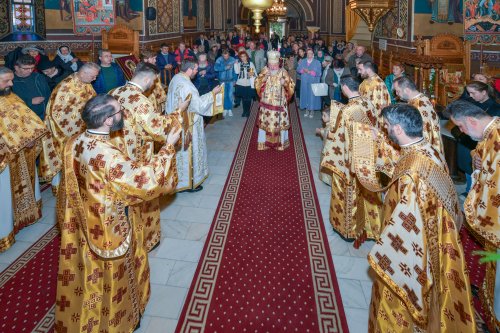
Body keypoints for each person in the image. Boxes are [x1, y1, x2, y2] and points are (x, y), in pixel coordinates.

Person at [55, 94, 181, 333]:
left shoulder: (75, 142)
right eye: (119, 112)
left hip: (84, 217)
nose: (123, 114)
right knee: (115, 274)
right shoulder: (108, 155)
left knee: (89, 269)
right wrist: (167, 148)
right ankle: (118, 321)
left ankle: (87, 315)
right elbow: (144, 182)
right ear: (108, 121)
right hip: (109, 224)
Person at [367, 103, 476, 333]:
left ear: (397, 129)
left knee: (394, 302)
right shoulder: (427, 149)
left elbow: (406, 220)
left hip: (415, 248)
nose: (385, 130)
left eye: (386, 126)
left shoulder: (412, 174)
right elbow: (399, 164)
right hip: (437, 235)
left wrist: (384, 251)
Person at [110, 62, 186, 251]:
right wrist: (178, 111)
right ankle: (145, 238)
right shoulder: (140, 101)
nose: (153, 85)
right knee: (143, 195)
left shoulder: (115, 92)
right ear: (145, 78)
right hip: (138, 155)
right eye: (153, 81)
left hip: (117, 153)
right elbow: (157, 129)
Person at [448, 100, 499, 333]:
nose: (464, 133)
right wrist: (475, 157)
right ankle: (489, 297)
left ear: (470, 120)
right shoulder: (489, 131)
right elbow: (480, 151)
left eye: (462, 127)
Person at [318, 75, 381, 245]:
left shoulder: (347, 111)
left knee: (347, 192)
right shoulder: (368, 103)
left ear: (345, 88)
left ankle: (347, 229)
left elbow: (339, 137)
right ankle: (369, 227)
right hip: (367, 157)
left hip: (350, 161)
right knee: (367, 192)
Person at [0, 66, 52, 252]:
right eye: (6, 81)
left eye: (11, 80)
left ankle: (24, 217)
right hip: (5, 159)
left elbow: (26, 119)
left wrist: (31, 137)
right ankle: (5, 232)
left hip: (21, 155)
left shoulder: (10, 96)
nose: (11, 84)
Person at [39, 62, 99, 192]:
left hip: (82, 130)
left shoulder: (86, 83)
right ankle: (65, 189)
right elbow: (57, 114)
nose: (95, 79)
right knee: (65, 159)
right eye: (93, 76)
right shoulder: (66, 87)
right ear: (83, 73)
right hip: (64, 133)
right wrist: (81, 126)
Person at [166, 59, 222, 192]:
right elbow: (199, 106)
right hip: (188, 124)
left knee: (180, 154)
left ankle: (179, 181)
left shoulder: (176, 78)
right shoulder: (187, 86)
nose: (197, 71)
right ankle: (190, 183)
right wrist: (213, 93)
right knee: (189, 151)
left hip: (176, 123)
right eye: (196, 69)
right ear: (189, 69)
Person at [393, 76, 444, 157]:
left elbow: (422, 135)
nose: (396, 94)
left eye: (398, 91)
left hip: (424, 154)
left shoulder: (418, 107)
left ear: (407, 90)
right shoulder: (421, 99)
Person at [254, 50, 295, 151]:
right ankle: (263, 143)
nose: (272, 67)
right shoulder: (264, 70)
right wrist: (263, 80)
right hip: (266, 104)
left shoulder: (283, 72)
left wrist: (285, 83)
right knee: (265, 124)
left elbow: (291, 86)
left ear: (278, 63)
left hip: (279, 105)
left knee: (280, 124)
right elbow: (256, 82)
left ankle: (280, 143)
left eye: (274, 65)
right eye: (270, 65)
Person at [11, 55, 51, 120]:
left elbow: (48, 94)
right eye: (26, 68)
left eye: (32, 68)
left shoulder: (38, 77)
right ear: (16, 67)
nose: (30, 71)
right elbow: (8, 103)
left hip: (44, 116)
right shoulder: (9, 81)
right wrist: (30, 102)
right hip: (25, 118)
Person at [357, 60, 391, 129]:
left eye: (360, 69)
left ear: (368, 70)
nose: (358, 72)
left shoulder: (378, 84)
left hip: (373, 122)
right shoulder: (366, 80)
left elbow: (378, 107)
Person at [297, 48, 322, 118]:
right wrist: (303, 70)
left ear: (313, 55)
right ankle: (307, 110)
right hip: (304, 82)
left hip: (313, 82)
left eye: (310, 53)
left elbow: (319, 73)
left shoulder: (317, 62)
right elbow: (298, 69)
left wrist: (310, 72)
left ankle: (312, 111)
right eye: (308, 53)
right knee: (305, 95)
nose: (309, 55)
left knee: (312, 96)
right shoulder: (303, 61)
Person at [140, 51, 166, 115]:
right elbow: (156, 88)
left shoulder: (152, 69)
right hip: (151, 99)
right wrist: (163, 98)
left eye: (155, 58)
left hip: (155, 97)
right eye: (153, 58)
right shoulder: (146, 72)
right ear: (145, 59)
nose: (155, 61)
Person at [214, 49, 237, 117]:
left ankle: (229, 109)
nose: (226, 57)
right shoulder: (219, 60)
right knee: (224, 95)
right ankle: (225, 109)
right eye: (224, 56)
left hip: (230, 80)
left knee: (230, 95)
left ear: (229, 55)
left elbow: (235, 71)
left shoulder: (232, 60)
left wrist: (235, 80)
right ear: (222, 55)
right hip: (222, 81)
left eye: (227, 56)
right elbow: (215, 68)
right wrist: (224, 67)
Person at [234, 51, 256, 118]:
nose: (243, 58)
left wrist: (251, 73)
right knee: (243, 99)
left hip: (249, 84)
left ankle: (248, 111)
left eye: (244, 56)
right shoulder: (239, 64)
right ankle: (244, 111)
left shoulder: (250, 64)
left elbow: (253, 73)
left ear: (247, 56)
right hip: (241, 84)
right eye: (241, 57)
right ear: (240, 58)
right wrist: (235, 64)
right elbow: (237, 72)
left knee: (248, 99)